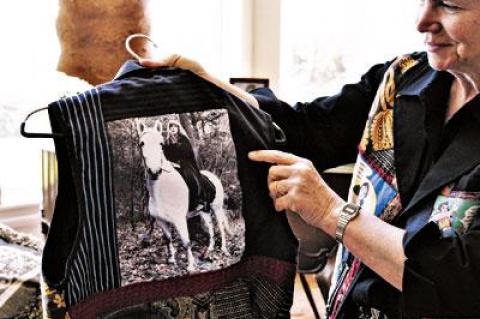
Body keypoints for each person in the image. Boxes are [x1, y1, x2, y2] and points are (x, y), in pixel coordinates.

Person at [140, 0, 480, 317]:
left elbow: (463, 281)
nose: (422, 22)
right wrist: (212, 87)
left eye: (448, 5)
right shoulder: (402, 77)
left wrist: (332, 213)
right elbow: (306, 128)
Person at [162, 120, 215, 212]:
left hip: (186, 164)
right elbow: (166, 154)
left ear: (178, 128)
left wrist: (176, 146)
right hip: (172, 165)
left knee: (189, 176)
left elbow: (186, 153)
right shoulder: (167, 141)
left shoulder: (183, 139)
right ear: (168, 129)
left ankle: (199, 200)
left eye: (175, 126)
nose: (173, 128)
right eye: (171, 127)